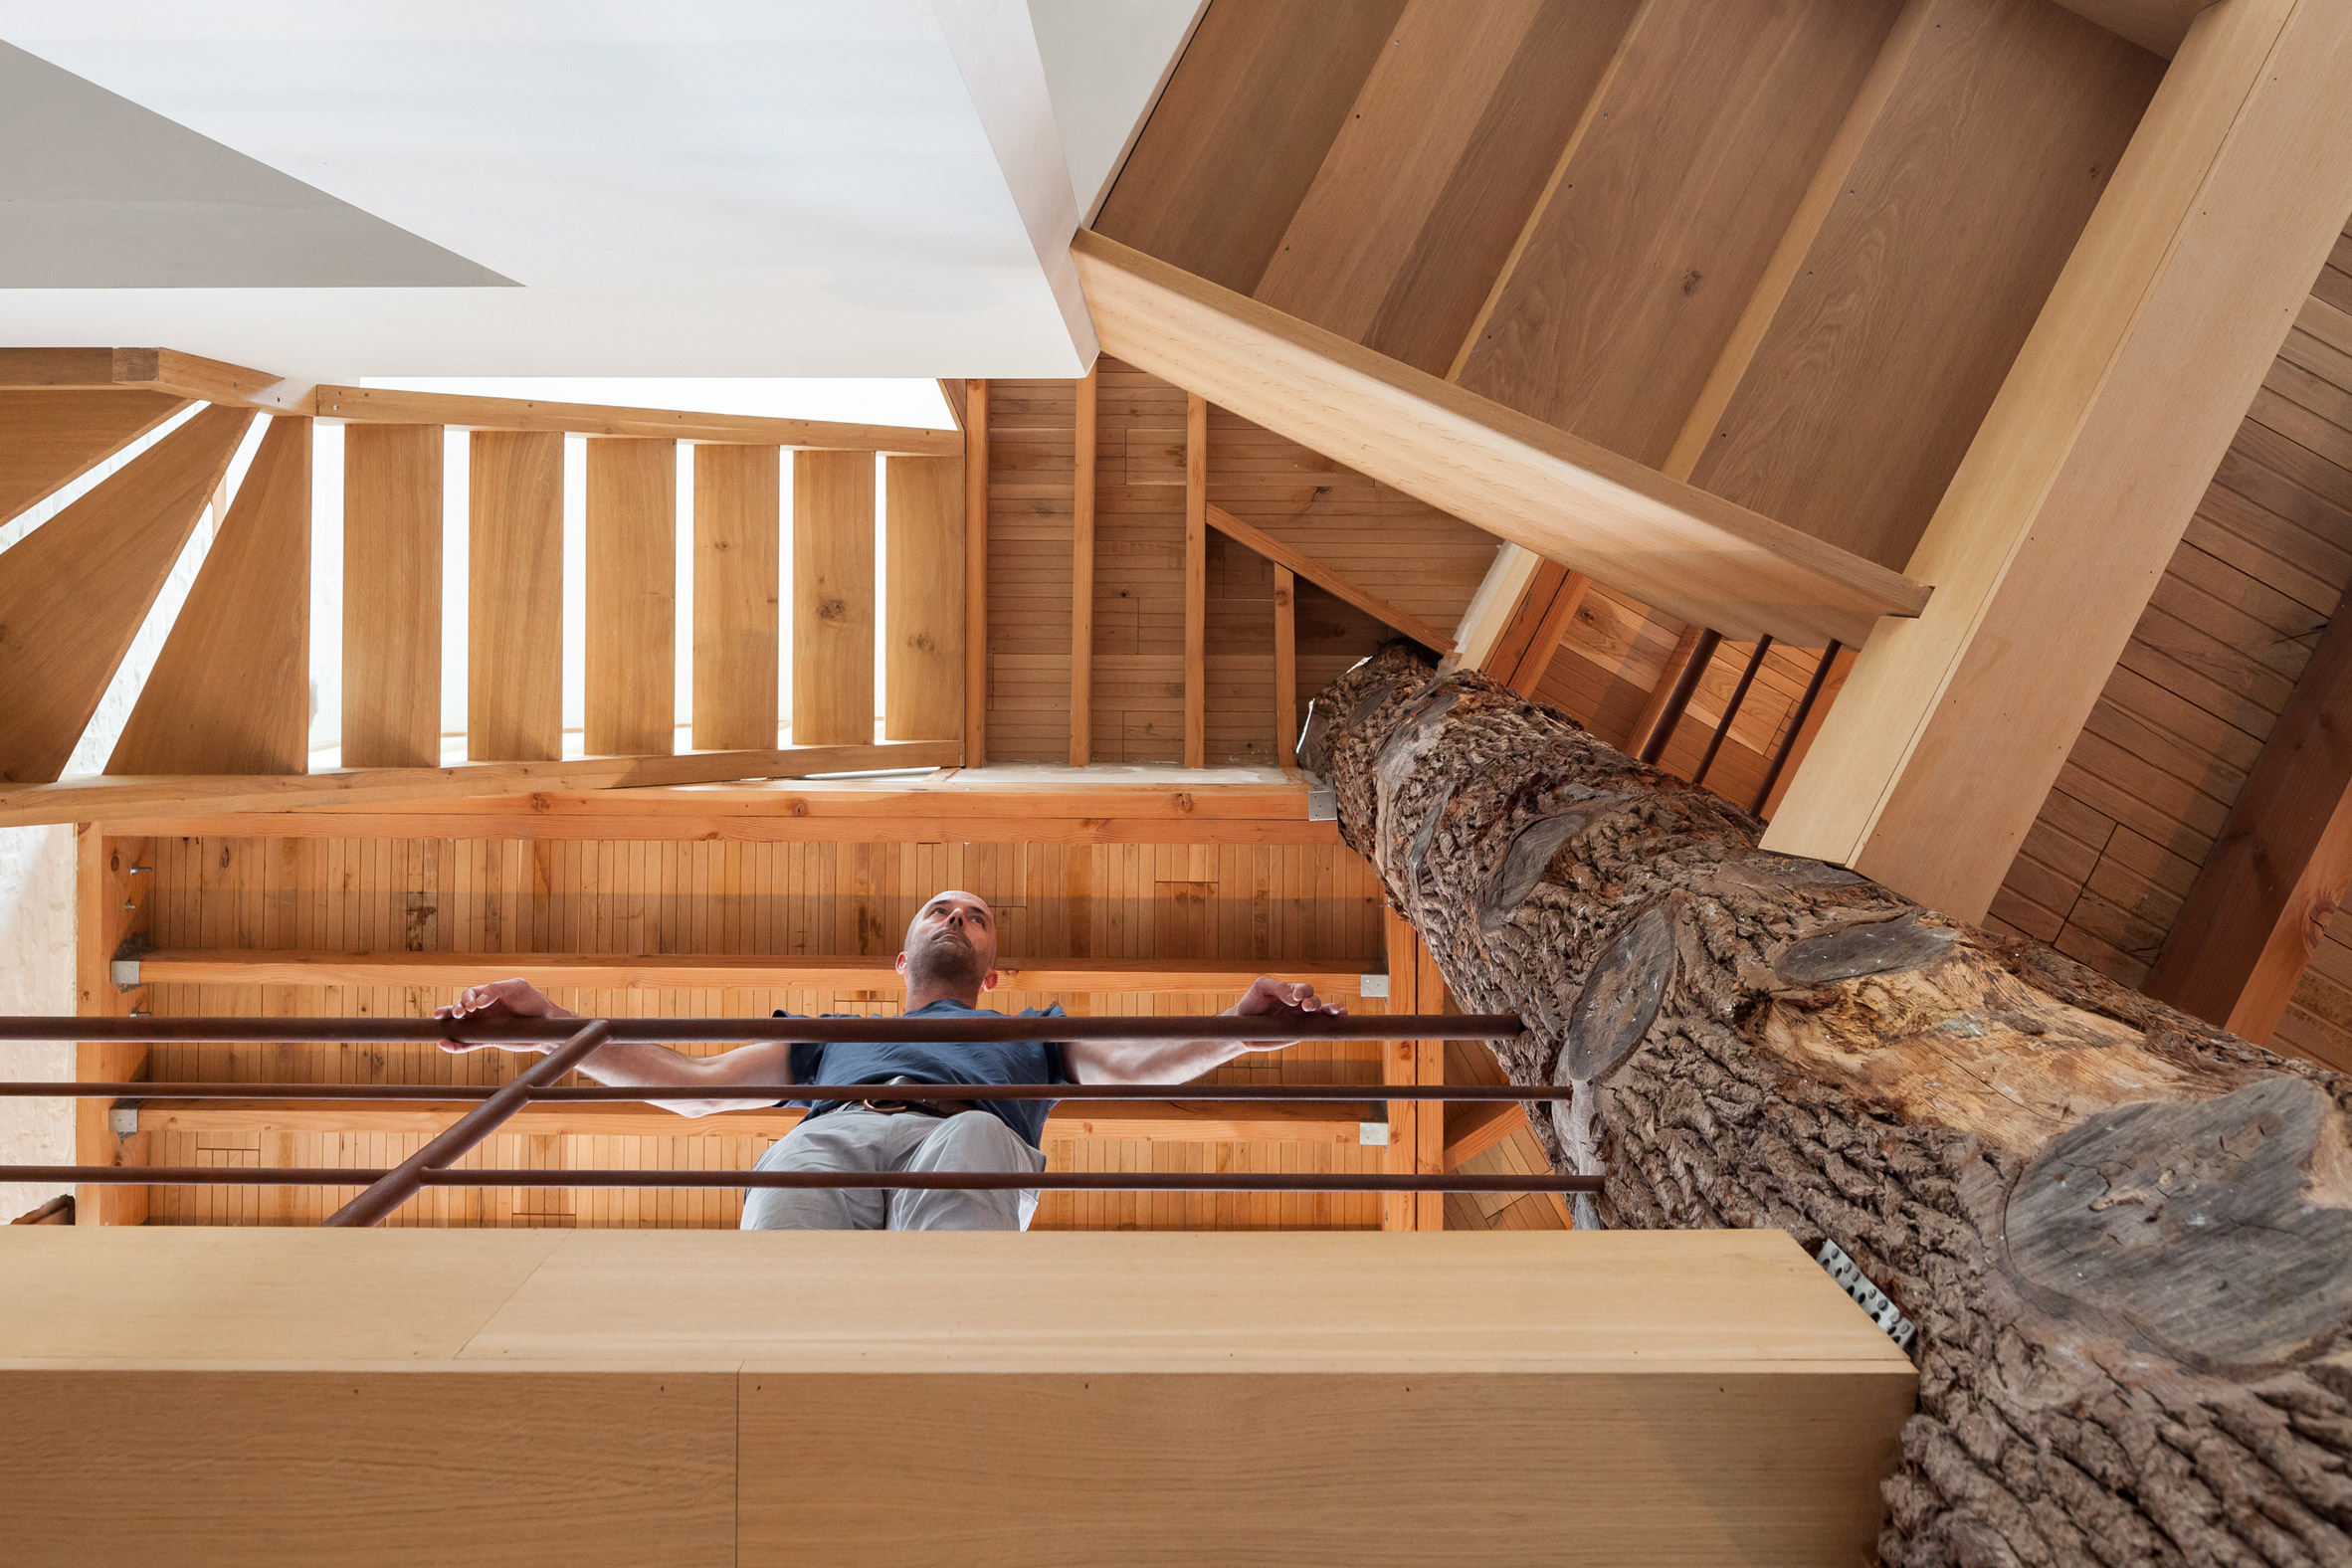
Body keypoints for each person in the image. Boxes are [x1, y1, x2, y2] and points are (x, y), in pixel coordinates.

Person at [436, 888, 1344, 1231]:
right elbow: (699, 1092)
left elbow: (1134, 1068)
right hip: (834, 1138)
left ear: (991, 972)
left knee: (959, 1236)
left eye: (974, 917)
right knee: (785, 1274)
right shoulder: (830, 1032)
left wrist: (1234, 1028)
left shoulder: (1030, 1031)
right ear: (899, 962)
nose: (954, 917)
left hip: (971, 1138)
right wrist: (556, 1028)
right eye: (940, 911)